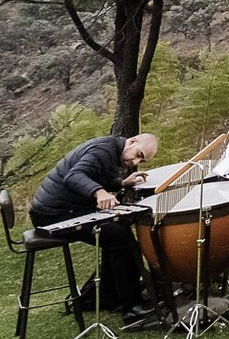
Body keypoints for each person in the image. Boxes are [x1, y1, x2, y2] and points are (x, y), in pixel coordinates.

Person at [32, 129, 158, 319]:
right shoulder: (103, 150)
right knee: (119, 237)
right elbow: (74, 176)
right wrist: (99, 192)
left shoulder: (111, 150)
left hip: (63, 209)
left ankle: (110, 296)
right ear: (132, 141)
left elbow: (96, 175)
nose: (135, 162)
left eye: (141, 161)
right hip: (52, 215)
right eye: (138, 155)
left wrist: (121, 183)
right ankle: (132, 306)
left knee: (118, 232)